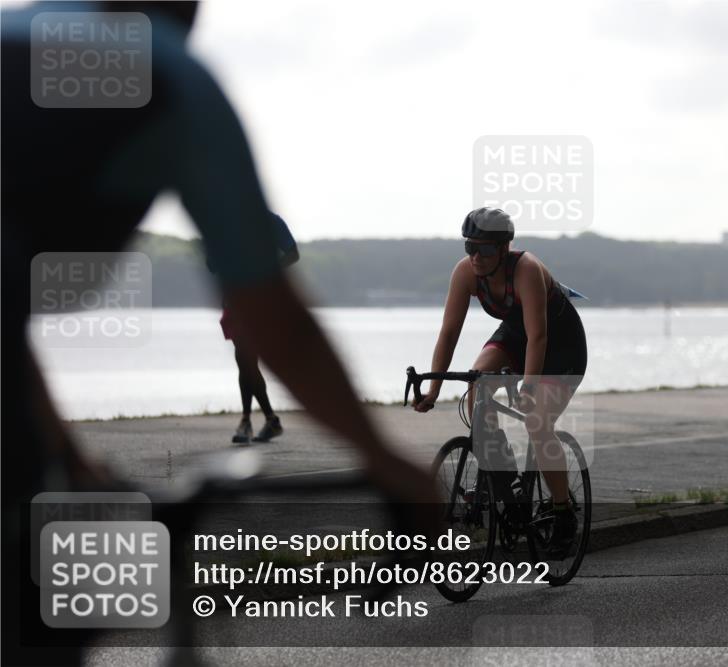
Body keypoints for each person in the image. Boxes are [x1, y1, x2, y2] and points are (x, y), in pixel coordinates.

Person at [2, 3, 437, 663]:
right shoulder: (169, 72)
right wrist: (390, 463)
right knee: (54, 599)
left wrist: (67, 451)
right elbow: (279, 318)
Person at [413, 207, 588, 556]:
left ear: (504, 248)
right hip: (516, 334)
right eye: (469, 247)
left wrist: (530, 387)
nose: (476, 256)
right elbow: (449, 333)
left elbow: (539, 337)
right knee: (477, 381)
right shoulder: (466, 272)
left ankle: (562, 510)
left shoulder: (526, 269)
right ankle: (502, 473)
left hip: (560, 343)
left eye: (485, 249)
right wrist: (433, 390)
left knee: (538, 421)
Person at [219, 212, 299, 443]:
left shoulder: (270, 220)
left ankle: (250, 421)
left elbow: (293, 253)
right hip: (235, 298)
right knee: (245, 360)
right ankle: (267, 420)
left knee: (245, 357)